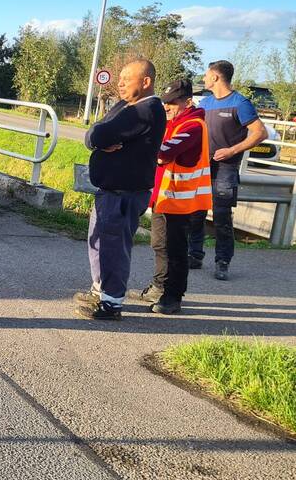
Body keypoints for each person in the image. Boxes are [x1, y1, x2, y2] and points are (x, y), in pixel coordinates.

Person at [76, 59, 167, 321]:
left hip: (124, 192)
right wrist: (97, 137)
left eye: (128, 78)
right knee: (99, 243)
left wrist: (99, 137)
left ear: (146, 81)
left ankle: (112, 304)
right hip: (109, 190)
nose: (121, 82)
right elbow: (94, 133)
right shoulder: (125, 106)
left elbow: (101, 135)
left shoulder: (146, 109)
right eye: (120, 78)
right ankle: (100, 290)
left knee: (113, 247)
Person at [128, 79, 211, 314]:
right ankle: (159, 286)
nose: (167, 107)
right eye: (166, 102)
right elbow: (161, 154)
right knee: (159, 244)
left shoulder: (193, 125)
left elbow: (164, 151)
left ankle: (173, 296)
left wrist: (147, 147)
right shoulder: (174, 122)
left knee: (175, 249)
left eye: (173, 103)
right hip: (164, 196)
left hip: (182, 200)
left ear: (188, 101)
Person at [186, 60, 267, 280]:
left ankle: (222, 262)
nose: (203, 78)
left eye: (206, 74)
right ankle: (194, 255)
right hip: (202, 167)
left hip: (225, 168)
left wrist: (231, 151)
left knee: (221, 217)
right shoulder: (205, 103)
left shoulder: (240, 103)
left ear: (215, 77)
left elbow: (260, 133)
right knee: (195, 214)